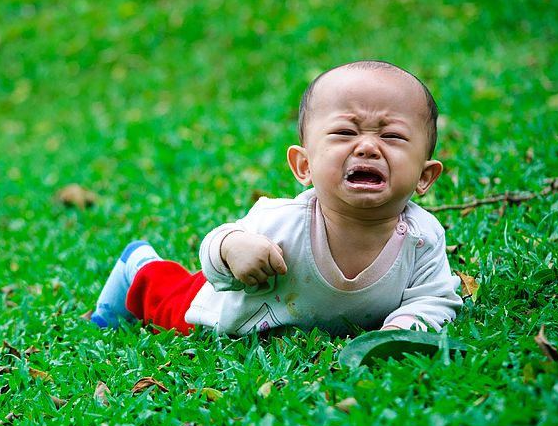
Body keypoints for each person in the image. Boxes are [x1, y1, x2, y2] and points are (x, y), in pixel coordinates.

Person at [90, 60, 462, 337]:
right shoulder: (282, 220)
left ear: (424, 176)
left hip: (292, 329)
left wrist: (399, 330)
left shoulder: (422, 239)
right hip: (228, 312)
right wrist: (232, 249)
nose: (367, 146)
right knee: (167, 298)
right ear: (304, 166)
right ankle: (137, 266)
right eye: (345, 132)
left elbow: (434, 298)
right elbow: (215, 248)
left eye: (393, 136)